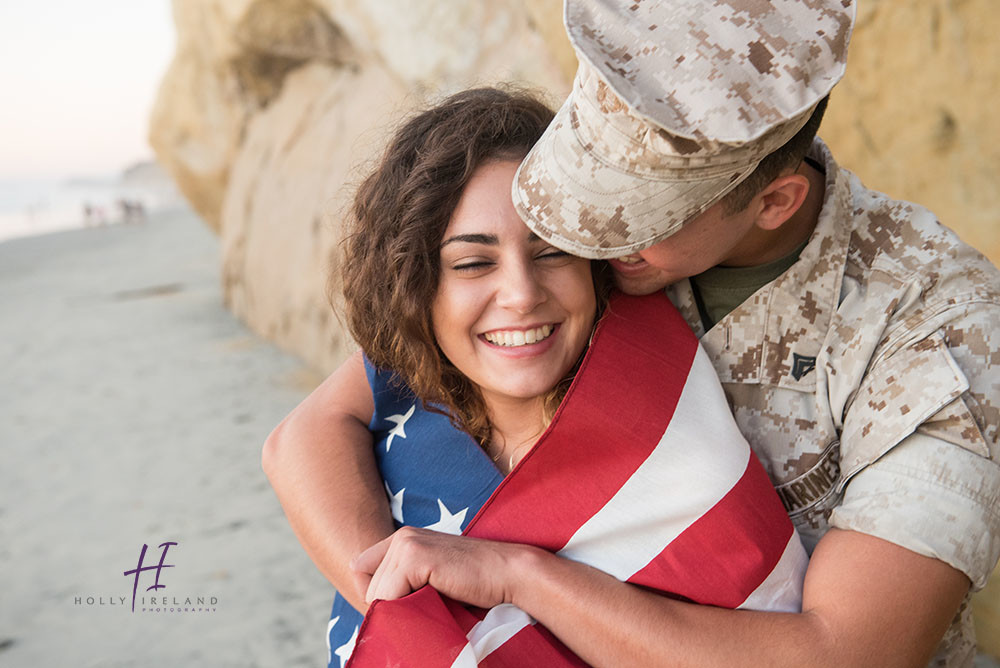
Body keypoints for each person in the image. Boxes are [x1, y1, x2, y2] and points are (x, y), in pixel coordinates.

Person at [265, 1, 1000, 666]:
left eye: (634, 212)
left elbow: (846, 656)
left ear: (774, 201)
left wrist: (518, 578)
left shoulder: (936, 332)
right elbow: (317, 425)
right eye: (582, 178)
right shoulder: (563, 240)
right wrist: (418, 620)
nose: (582, 227)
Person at [300, 86, 807, 667]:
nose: (521, 295)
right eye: (472, 263)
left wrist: (519, 577)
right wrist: (399, 615)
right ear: (413, 287)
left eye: (552, 253)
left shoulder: (679, 454)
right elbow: (296, 440)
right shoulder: (403, 395)